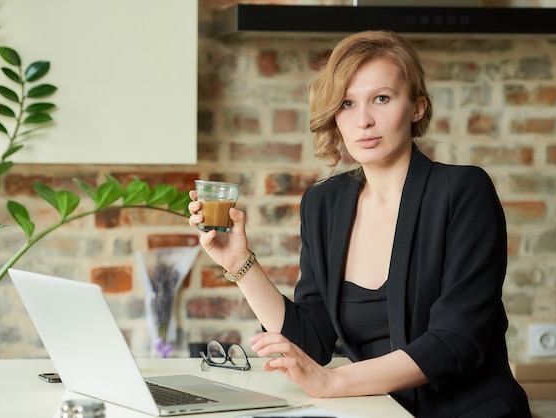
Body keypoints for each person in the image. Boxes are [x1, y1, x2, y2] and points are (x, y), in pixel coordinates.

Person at [188, 30, 531, 418]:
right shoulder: (324, 203)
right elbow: (312, 341)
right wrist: (239, 263)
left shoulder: (463, 191)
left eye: (381, 99)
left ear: (417, 108)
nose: (364, 120)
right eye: (347, 103)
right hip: (379, 412)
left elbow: (457, 339)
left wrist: (333, 383)